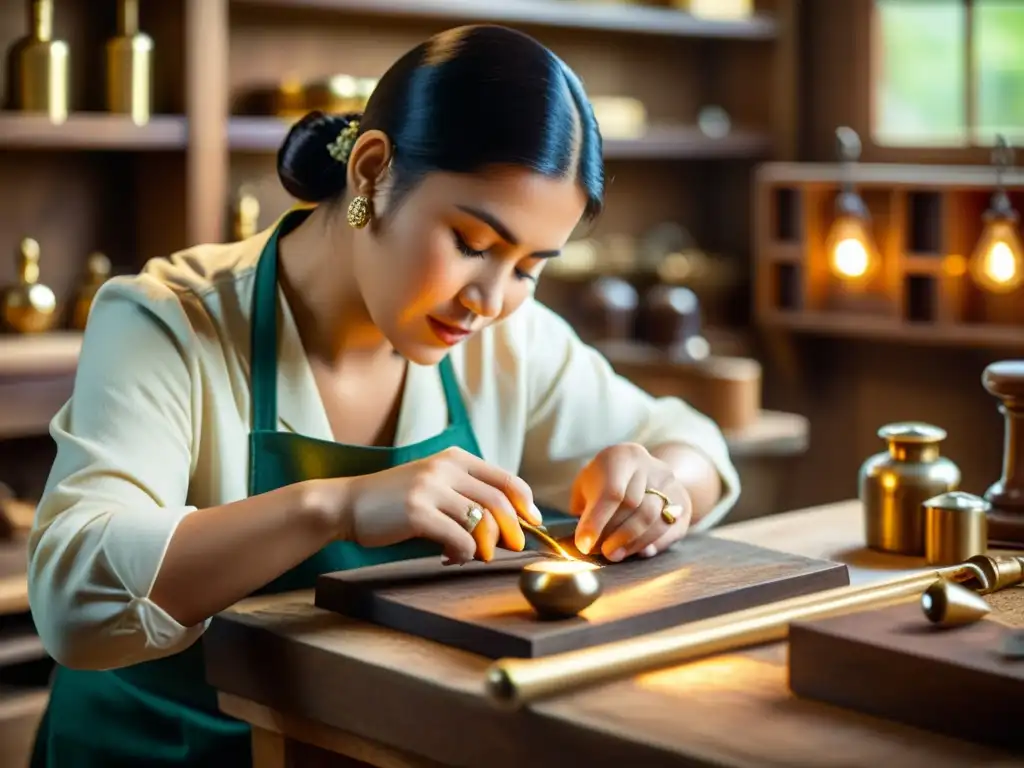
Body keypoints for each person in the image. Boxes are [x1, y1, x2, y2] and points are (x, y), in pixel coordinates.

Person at [26, 23, 740, 767]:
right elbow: (74, 596)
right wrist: (335, 505)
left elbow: (694, 444)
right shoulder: (170, 319)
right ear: (370, 172)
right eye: (472, 243)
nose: (492, 299)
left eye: (530, 266)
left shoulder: (509, 338)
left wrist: (659, 487)